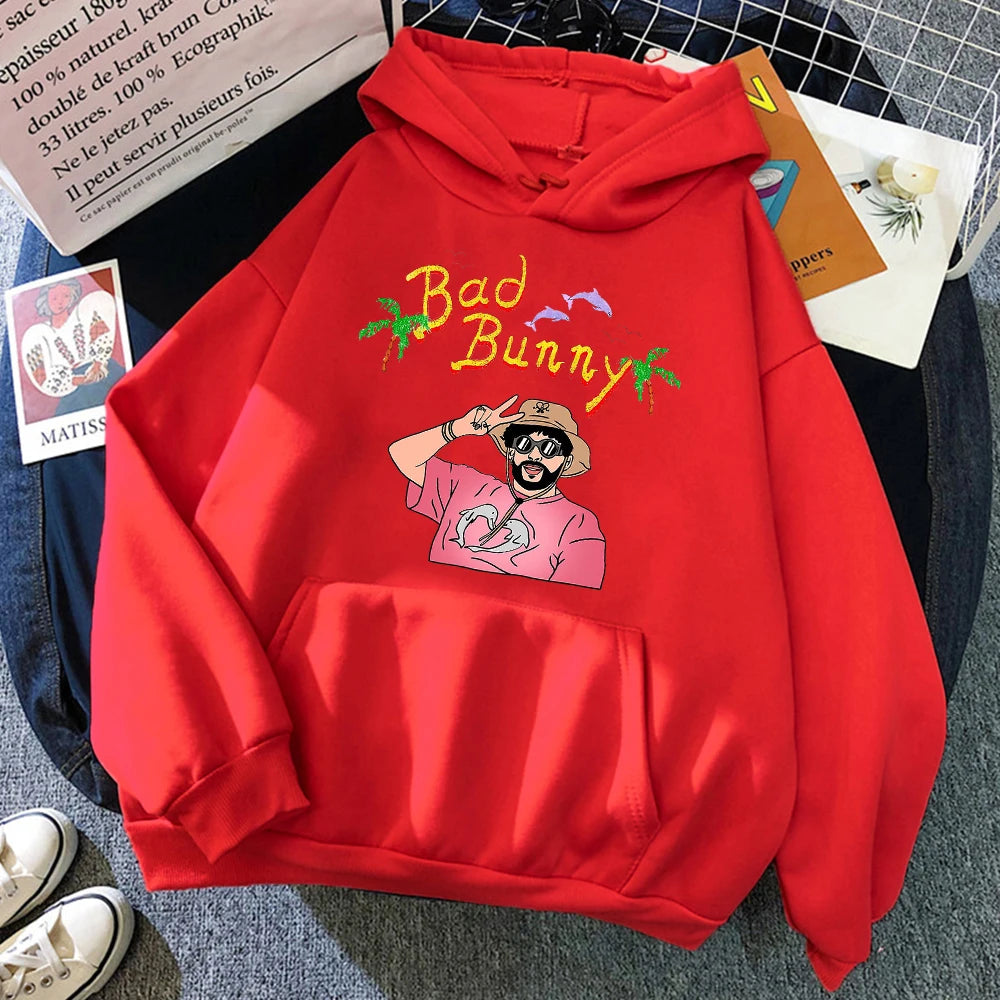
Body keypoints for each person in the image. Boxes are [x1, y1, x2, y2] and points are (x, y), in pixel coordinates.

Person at [390, 395, 606, 588]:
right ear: (510, 452)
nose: (535, 455)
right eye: (524, 444)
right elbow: (402, 456)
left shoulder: (579, 523)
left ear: (566, 461)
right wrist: (457, 429)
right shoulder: (466, 484)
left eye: (549, 448)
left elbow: (575, 602)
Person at [20, 278, 121, 416]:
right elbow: (42, 376)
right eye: (54, 298)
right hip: (74, 387)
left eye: (65, 296)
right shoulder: (38, 334)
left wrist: (98, 364)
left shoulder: (84, 312)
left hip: (102, 372)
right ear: (45, 300)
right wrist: (79, 380)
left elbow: (102, 333)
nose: (60, 302)